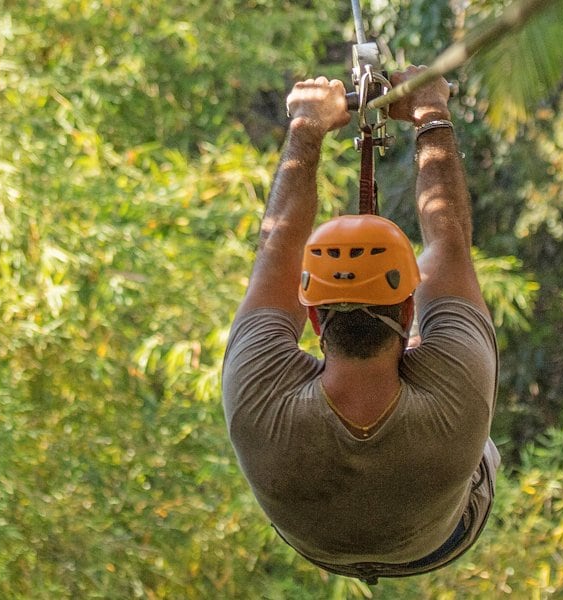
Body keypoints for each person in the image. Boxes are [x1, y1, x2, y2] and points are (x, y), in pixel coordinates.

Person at [221, 67, 498, 583]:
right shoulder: (459, 397)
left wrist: (306, 126)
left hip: (319, 544)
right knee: (470, 403)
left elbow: (277, 248)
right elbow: (449, 242)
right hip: (442, 539)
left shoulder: (254, 391)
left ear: (311, 316)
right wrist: (430, 112)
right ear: (409, 311)